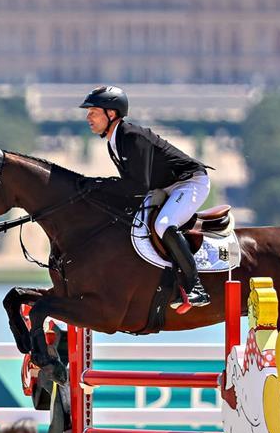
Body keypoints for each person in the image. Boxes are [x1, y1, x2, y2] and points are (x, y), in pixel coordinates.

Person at [78, 85, 213, 309]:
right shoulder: (114, 141)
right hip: (163, 187)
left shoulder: (131, 136)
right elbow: (130, 189)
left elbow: (137, 186)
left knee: (163, 224)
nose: (87, 117)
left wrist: (97, 185)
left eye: (93, 112)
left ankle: (196, 287)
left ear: (111, 114)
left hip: (189, 182)